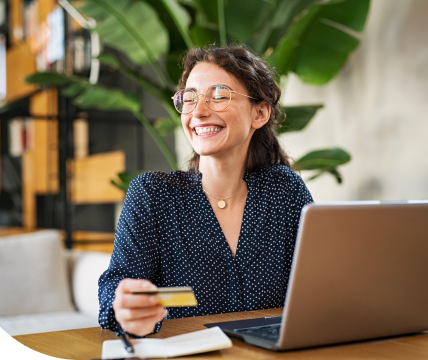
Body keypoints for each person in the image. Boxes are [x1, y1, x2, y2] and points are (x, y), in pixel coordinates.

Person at [98, 46, 313, 337]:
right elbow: (115, 285)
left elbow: (318, 288)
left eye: (220, 96)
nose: (198, 111)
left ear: (260, 112)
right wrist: (124, 307)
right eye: (189, 98)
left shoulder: (285, 191)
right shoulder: (152, 194)